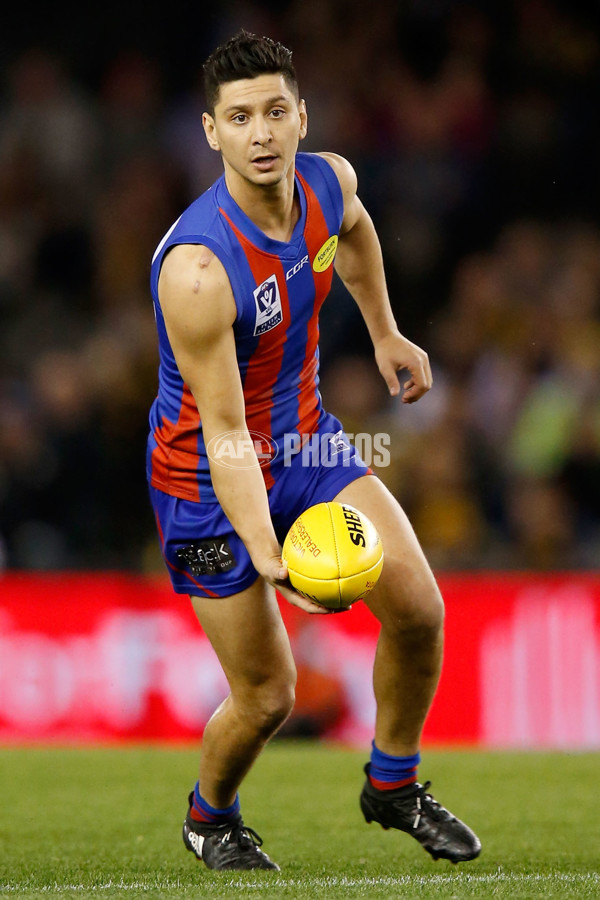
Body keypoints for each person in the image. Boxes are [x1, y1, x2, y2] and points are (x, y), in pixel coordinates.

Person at [147, 30, 481, 871]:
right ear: (210, 131)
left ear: (302, 116)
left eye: (273, 112)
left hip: (304, 440)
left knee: (420, 613)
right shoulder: (199, 272)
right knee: (269, 697)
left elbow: (356, 233)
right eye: (238, 118)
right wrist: (270, 557)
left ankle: (392, 784)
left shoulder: (330, 182)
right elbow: (224, 433)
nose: (260, 133)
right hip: (206, 479)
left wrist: (385, 332)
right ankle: (209, 815)